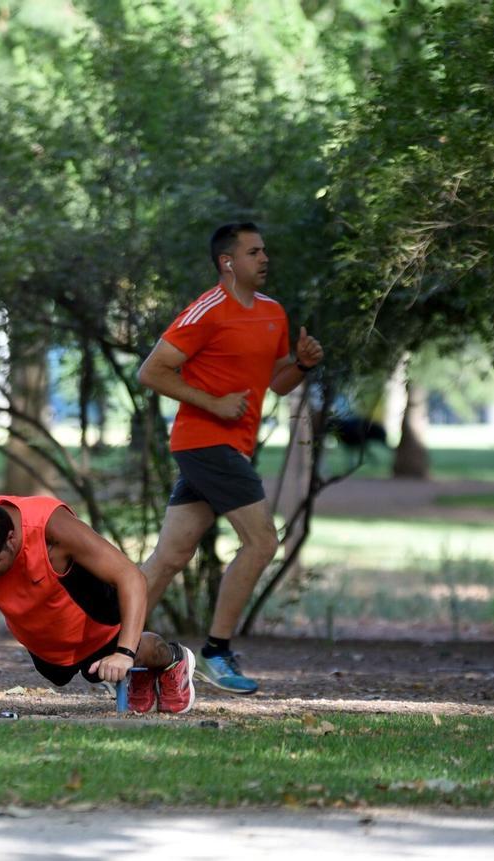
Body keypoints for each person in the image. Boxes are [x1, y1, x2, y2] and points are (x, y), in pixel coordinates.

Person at [136, 222, 324, 694]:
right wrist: (213, 403)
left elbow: (275, 383)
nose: (264, 259)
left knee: (171, 556)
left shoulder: (273, 313)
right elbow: (152, 371)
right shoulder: (207, 310)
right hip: (203, 442)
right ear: (228, 262)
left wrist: (300, 364)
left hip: (230, 447)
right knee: (262, 543)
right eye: (254, 252)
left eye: (264, 251)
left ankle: (107, 646)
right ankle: (217, 651)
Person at [0, 495, 196, 714]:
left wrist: (124, 653)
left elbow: (131, 577)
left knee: (105, 663)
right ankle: (135, 670)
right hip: (44, 631)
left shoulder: (52, 529)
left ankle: (172, 658)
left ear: (12, 539)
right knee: (60, 674)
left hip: (94, 612)